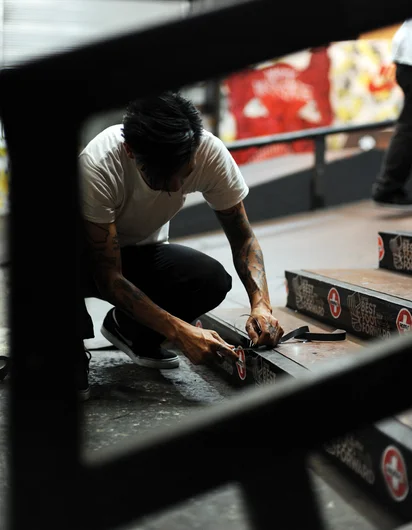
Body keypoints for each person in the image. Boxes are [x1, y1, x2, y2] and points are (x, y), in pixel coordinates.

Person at [77, 91, 284, 400]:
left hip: (138, 252)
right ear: (131, 151)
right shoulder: (99, 166)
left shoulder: (208, 153)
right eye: (162, 176)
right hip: (79, 260)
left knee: (210, 279)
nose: (176, 188)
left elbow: (243, 238)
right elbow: (109, 279)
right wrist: (179, 332)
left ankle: (130, 330)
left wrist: (262, 305)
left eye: (183, 174)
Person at [372, 19, 412, 208]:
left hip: (406, 59)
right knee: (409, 125)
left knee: (409, 124)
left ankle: (388, 186)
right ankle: (387, 186)